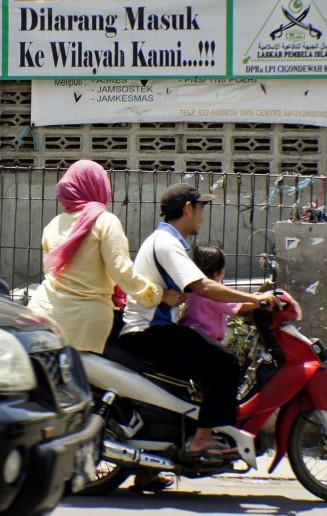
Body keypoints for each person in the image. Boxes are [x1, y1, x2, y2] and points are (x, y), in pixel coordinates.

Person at [27, 160, 184, 492]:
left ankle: (144, 464)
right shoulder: (104, 220)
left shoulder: (54, 224)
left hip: (44, 319)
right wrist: (157, 295)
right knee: (144, 365)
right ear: (98, 187)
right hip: (87, 323)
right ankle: (145, 440)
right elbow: (122, 271)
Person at [117, 182, 281, 460]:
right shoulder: (167, 244)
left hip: (152, 331)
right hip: (149, 333)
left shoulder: (167, 242)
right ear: (188, 208)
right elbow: (204, 287)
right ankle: (202, 440)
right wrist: (256, 299)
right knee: (224, 362)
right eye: (202, 208)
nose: (203, 216)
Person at [178, 243, 258, 343]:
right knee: (229, 359)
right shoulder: (213, 293)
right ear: (217, 273)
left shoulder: (194, 287)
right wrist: (258, 302)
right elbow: (239, 306)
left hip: (190, 336)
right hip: (205, 341)